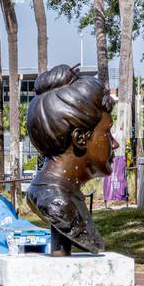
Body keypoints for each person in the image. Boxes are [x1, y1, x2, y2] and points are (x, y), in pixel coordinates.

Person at [25, 64, 116, 254]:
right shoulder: (58, 203)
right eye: (107, 131)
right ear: (81, 138)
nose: (114, 144)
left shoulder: (60, 196)